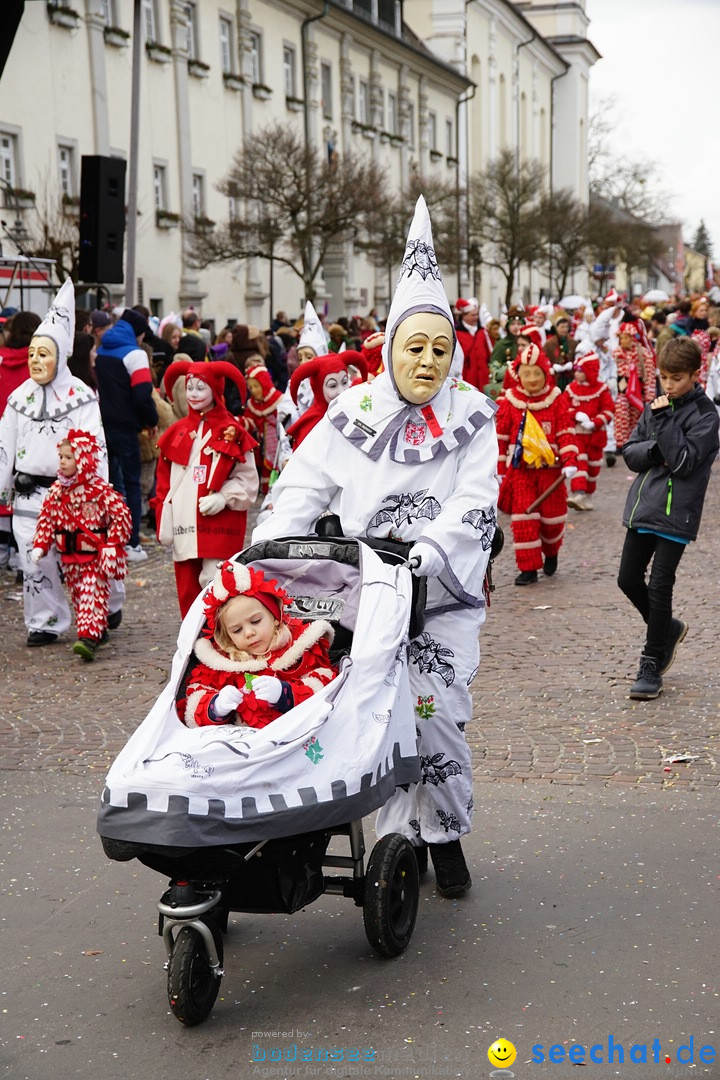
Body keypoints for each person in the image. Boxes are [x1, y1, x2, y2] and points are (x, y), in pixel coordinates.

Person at [252, 196, 499, 899]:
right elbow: (304, 484)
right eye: (413, 346)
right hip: (351, 584)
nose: (426, 361)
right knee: (342, 705)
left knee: (432, 712)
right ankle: (372, 834)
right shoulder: (348, 412)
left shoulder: (473, 416)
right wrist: (270, 548)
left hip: (434, 592)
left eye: (439, 348)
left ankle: (440, 833)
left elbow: (474, 502)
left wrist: (426, 561)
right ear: (389, 346)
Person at [0, 279, 111, 646]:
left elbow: (95, 445)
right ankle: (44, 621)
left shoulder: (80, 396)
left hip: (73, 495)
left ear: (60, 356)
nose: (35, 360)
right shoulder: (19, 398)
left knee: (82, 561)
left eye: (43, 354)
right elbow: (4, 445)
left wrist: (97, 491)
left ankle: (100, 613)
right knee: (34, 561)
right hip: (30, 495)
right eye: (32, 353)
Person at [618, 337, 719, 700]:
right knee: (627, 579)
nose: (669, 385)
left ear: (695, 374)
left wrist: (663, 426)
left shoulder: (706, 415)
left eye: (676, 378)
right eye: (663, 377)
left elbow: (685, 462)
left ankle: (651, 660)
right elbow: (630, 451)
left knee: (660, 586)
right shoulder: (655, 406)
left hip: (677, 513)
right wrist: (656, 448)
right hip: (644, 507)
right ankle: (668, 630)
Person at [153, 360, 259, 618]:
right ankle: (193, 646)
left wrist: (225, 497)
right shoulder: (177, 431)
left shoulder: (232, 430)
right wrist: (162, 515)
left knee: (218, 586)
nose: (193, 394)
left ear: (215, 390)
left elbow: (248, 479)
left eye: (201, 388)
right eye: (189, 387)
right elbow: (164, 481)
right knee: (188, 591)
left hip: (219, 525)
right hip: (184, 524)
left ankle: (221, 643)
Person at [178, 562, 337, 728]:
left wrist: (285, 694)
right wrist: (215, 707)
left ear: (275, 617)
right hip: (245, 744)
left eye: (256, 621)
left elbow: (326, 685)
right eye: (237, 630)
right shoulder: (222, 663)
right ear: (228, 637)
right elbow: (192, 701)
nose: (249, 633)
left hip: (299, 735)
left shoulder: (300, 648)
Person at [30, 430, 131, 661]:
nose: (63, 462)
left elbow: (120, 516)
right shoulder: (56, 491)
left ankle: (87, 638)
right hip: (70, 557)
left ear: (83, 460)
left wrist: (113, 543)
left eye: (69, 457)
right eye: (61, 457)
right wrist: (40, 545)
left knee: (91, 594)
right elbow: (47, 520)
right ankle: (99, 631)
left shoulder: (99, 490)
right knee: (78, 597)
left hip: (94, 557)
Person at [495, 344, 578, 585]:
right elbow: (501, 439)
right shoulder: (510, 401)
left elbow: (565, 432)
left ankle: (551, 551)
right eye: (526, 373)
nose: (532, 379)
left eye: (536, 373)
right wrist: (499, 471)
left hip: (551, 472)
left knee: (552, 521)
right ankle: (528, 568)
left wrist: (570, 460)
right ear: (518, 374)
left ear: (545, 374)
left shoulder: (556, 400)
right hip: (521, 472)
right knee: (524, 521)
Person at [95, 307, 158, 562]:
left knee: (106, 484)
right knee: (132, 484)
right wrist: (151, 420)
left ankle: (106, 538)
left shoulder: (100, 349)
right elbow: (143, 394)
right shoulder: (135, 354)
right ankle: (130, 542)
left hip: (100, 425)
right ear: (139, 333)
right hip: (126, 427)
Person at [0, 310, 40, 571]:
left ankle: (3, 549)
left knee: (4, 488)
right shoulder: (39, 362)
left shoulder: (1, 360)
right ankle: (22, 550)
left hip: (2, 432)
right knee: (27, 490)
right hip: (31, 437)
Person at [286, 350, 367, 449]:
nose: (341, 391)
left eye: (344, 382)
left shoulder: (352, 407)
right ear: (319, 388)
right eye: (332, 386)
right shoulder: (312, 427)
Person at [564, 351, 614, 511]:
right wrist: (575, 413)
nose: (577, 374)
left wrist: (595, 422)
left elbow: (609, 410)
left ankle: (587, 496)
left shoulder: (601, 389)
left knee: (593, 468)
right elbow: (563, 409)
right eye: (576, 370)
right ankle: (578, 493)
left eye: (581, 370)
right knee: (580, 463)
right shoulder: (571, 389)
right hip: (577, 435)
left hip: (595, 437)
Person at [613, 321, 657, 451]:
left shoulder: (643, 354)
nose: (623, 340)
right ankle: (620, 443)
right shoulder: (615, 354)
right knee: (621, 412)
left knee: (636, 416)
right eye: (621, 338)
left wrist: (649, 397)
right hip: (621, 389)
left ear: (632, 338)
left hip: (638, 390)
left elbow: (649, 376)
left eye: (626, 337)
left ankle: (634, 441)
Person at [454, 297, 491, 392]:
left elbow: (489, 353)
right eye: (473, 315)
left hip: (483, 378)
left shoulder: (482, 332)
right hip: (467, 378)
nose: (476, 318)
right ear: (464, 316)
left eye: (476, 315)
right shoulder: (457, 333)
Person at [543, 314, 576, 391]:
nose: (564, 329)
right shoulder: (549, 343)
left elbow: (577, 358)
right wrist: (552, 366)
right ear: (556, 328)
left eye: (566, 327)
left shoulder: (573, 342)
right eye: (562, 327)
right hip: (555, 376)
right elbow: (544, 358)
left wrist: (572, 365)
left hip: (570, 376)